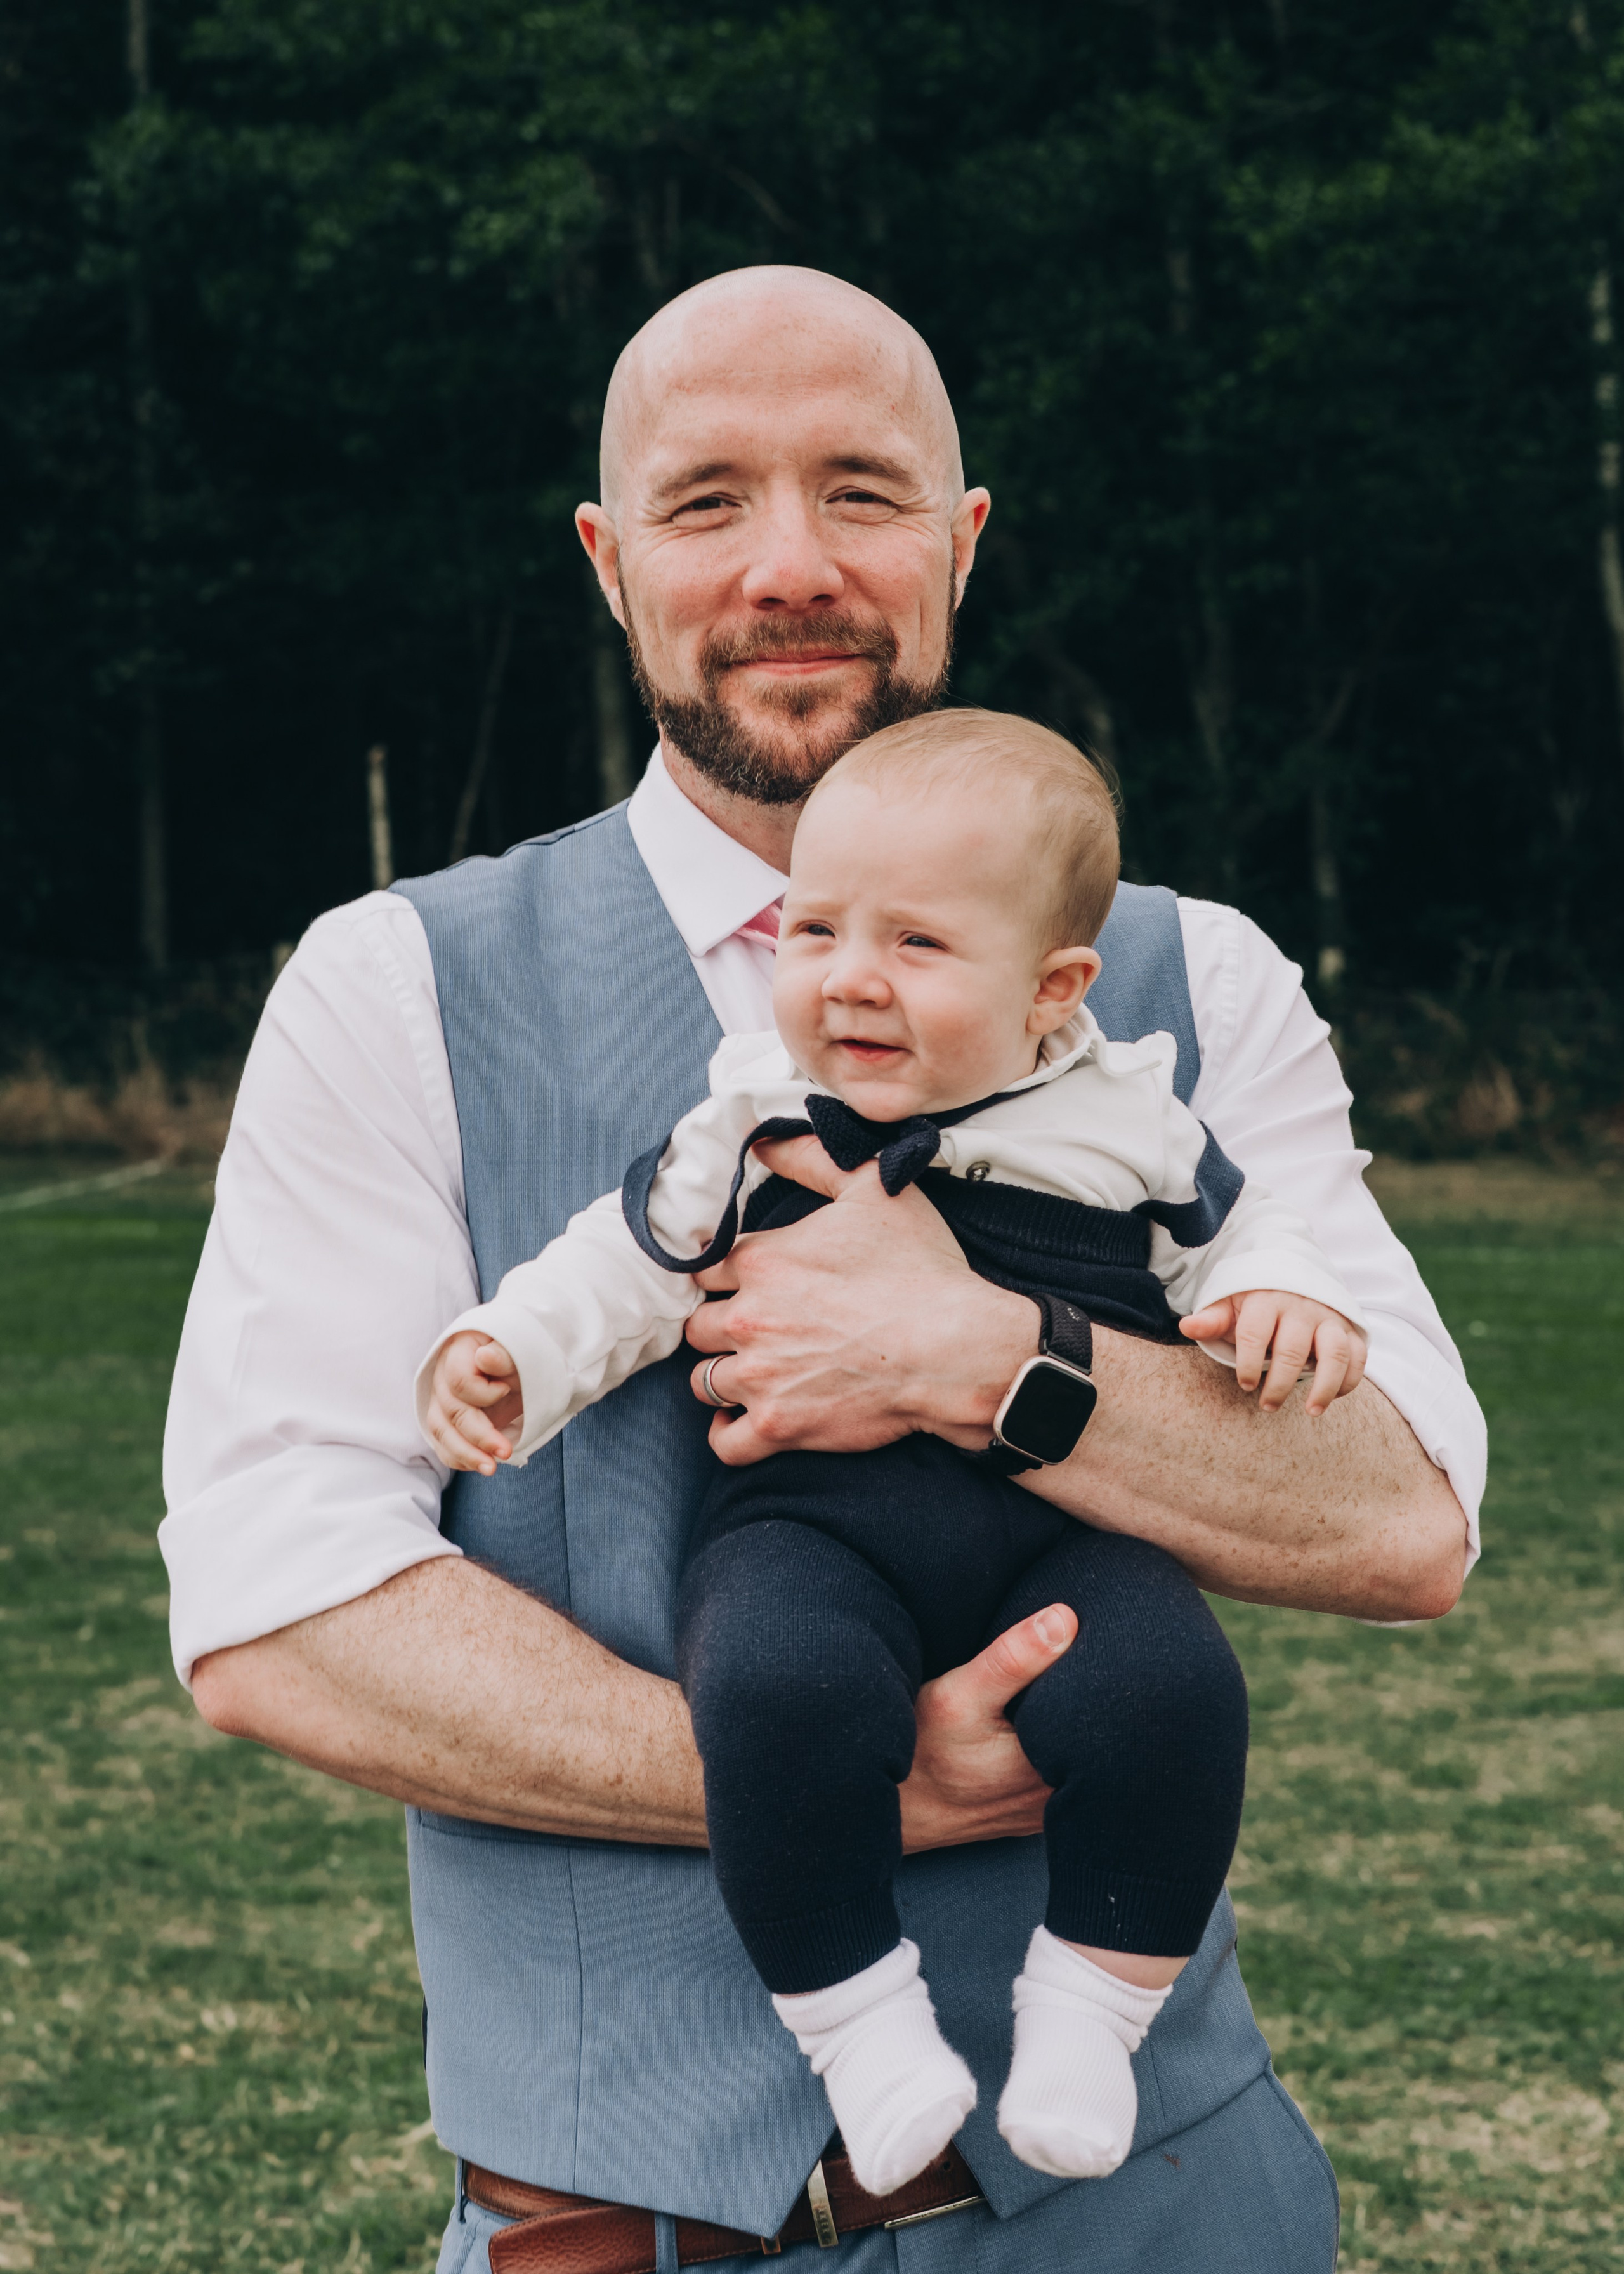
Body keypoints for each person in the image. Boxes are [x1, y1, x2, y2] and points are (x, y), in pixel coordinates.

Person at [161, 265, 1484, 2274]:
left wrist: (987, 1358)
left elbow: (1406, 1517)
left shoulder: (1184, 982)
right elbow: (274, 1606)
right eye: (709, 502)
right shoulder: (396, 987)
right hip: (607, 2237)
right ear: (613, 567)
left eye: (863, 492)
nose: (793, 564)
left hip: (1145, 2220)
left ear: (960, 544)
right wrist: (839, 1777)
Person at [419, 706, 1368, 2200]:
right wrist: (509, 1356)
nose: (848, 978)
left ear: (1053, 989)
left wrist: (1282, 1297)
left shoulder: (1122, 1111)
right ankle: (861, 2028)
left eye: (917, 947)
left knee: (1171, 1691)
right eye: (812, 930)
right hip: (812, 1530)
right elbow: (624, 1263)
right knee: (775, 1691)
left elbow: (1242, 1231)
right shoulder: (753, 1112)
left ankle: (1085, 2012)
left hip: (1058, 1543)